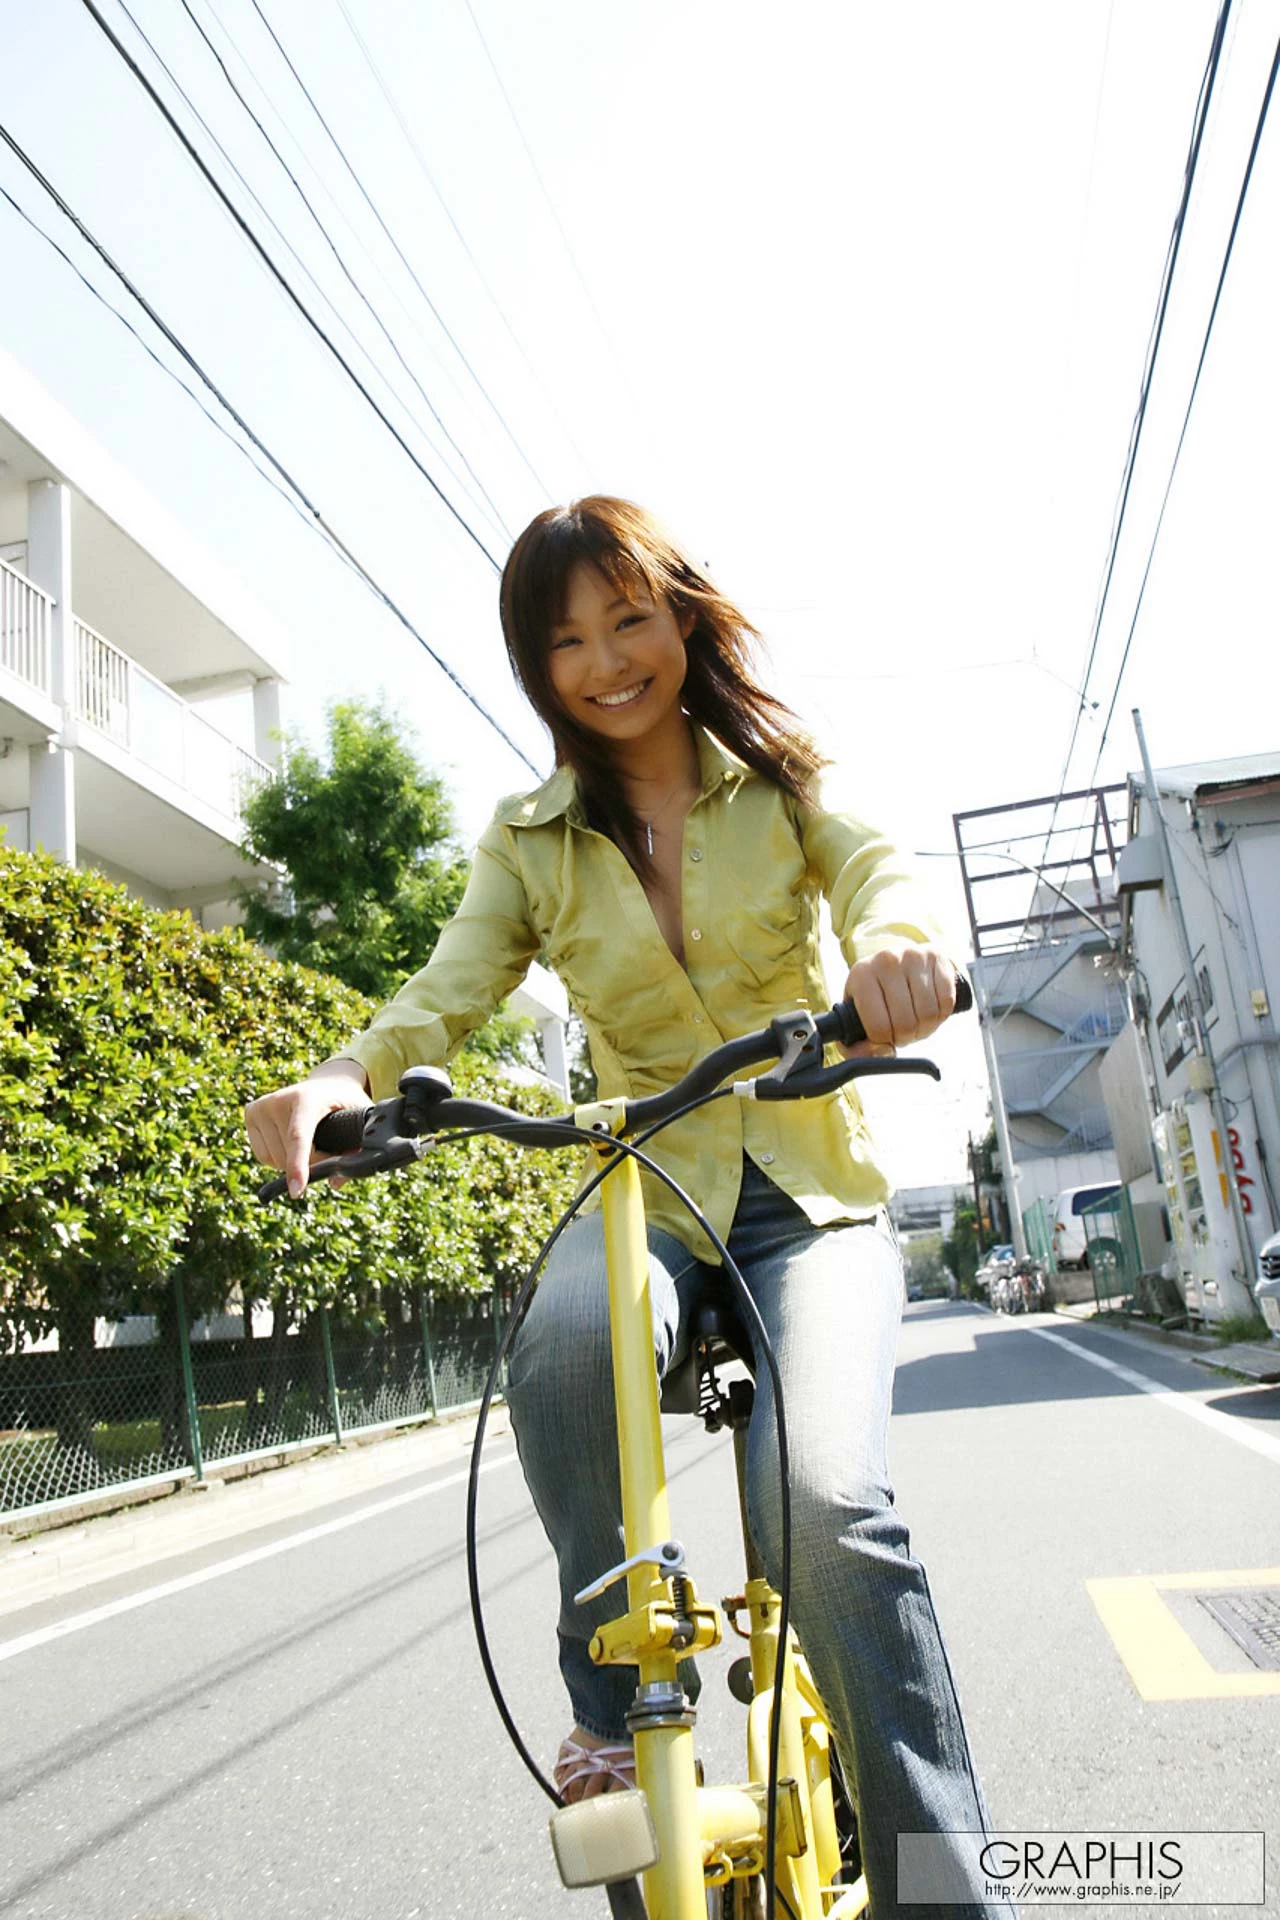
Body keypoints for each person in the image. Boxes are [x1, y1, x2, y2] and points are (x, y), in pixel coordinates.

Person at [245, 497, 1013, 1918]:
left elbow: (873, 869)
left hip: (809, 1201)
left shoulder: (782, 776)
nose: (606, 661)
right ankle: (609, 1712)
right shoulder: (529, 842)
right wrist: (344, 1075)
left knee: (827, 1508)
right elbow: (448, 988)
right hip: (641, 1196)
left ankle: (949, 1892)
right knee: (562, 1345)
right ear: (539, 672)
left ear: (683, 616)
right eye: (567, 642)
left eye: (629, 618)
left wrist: (896, 949)